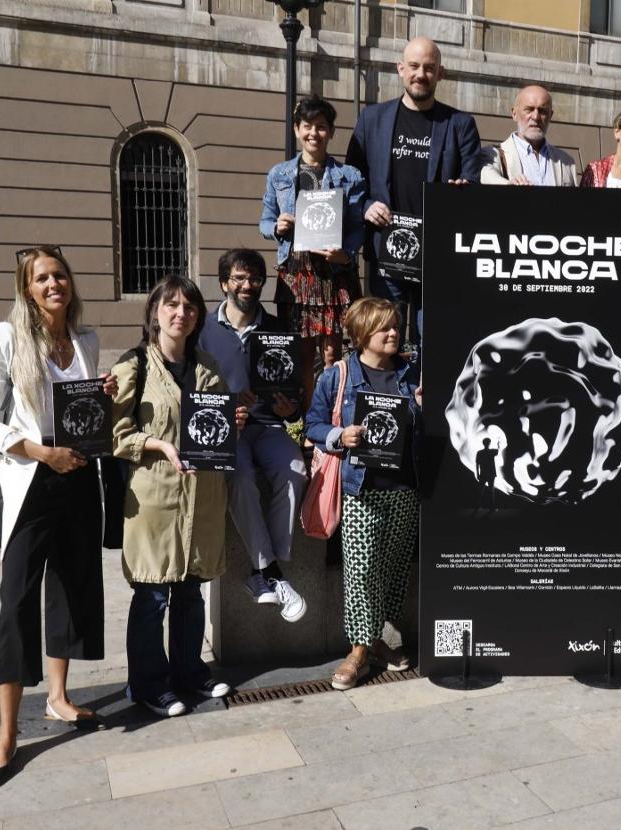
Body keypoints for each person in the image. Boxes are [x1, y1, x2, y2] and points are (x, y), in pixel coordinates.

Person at [0, 245, 113, 788]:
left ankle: (57, 698)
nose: (54, 284)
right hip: (30, 481)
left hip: (78, 480)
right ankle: (5, 735)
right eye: (42, 277)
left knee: (71, 590)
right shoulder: (2, 339)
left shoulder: (86, 340)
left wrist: (104, 397)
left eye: (60, 274)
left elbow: (82, 409)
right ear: (27, 288)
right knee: (18, 601)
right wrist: (36, 450)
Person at [112, 274, 247, 718]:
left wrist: (234, 421)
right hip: (154, 500)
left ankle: (190, 673)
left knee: (191, 592)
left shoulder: (207, 367)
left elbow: (217, 429)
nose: (180, 313)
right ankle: (150, 685)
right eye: (171, 305)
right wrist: (156, 444)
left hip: (202, 497)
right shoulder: (134, 366)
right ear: (154, 312)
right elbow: (115, 434)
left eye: (189, 307)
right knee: (152, 597)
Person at [304, 297, 422, 691]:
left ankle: (377, 642)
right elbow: (313, 424)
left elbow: (426, 426)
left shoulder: (411, 372)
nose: (394, 333)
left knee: (393, 569)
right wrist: (341, 436)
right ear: (361, 335)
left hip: (404, 486)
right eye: (384, 328)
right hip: (360, 488)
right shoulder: (337, 376)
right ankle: (357, 650)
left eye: (395, 326)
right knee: (361, 570)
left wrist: (424, 408)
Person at [197, 249, 308, 623]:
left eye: (255, 279)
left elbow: (295, 399)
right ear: (224, 283)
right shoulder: (202, 329)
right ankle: (271, 573)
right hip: (227, 428)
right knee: (240, 478)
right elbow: (192, 390)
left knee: (294, 468)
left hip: (269, 426)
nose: (248, 286)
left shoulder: (279, 330)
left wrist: (288, 410)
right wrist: (226, 408)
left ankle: (265, 572)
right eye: (239, 278)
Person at [345, 36, 482, 333]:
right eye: (414, 66)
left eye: (429, 68)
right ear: (401, 69)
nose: (421, 74)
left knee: (432, 341)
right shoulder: (371, 119)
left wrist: (463, 191)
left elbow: (474, 181)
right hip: (386, 247)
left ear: (440, 74)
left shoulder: (461, 125)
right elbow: (351, 180)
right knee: (382, 335)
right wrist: (366, 206)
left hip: (438, 254)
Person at [259, 93, 367, 377]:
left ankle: (333, 417)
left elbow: (357, 226)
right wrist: (276, 227)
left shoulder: (350, 176)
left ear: (330, 131)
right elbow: (265, 221)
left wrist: (347, 254)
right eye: (307, 126)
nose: (313, 133)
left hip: (334, 271)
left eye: (321, 126)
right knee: (302, 355)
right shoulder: (279, 174)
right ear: (297, 129)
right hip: (296, 273)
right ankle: (306, 421)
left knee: (334, 355)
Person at [480, 84, 578, 186]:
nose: (536, 117)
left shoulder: (566, 162)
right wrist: (508, 185)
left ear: (550, 116)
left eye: (543, 111)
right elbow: (486, 174)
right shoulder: (494, 155)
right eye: (529, 109)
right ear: (514, 114)